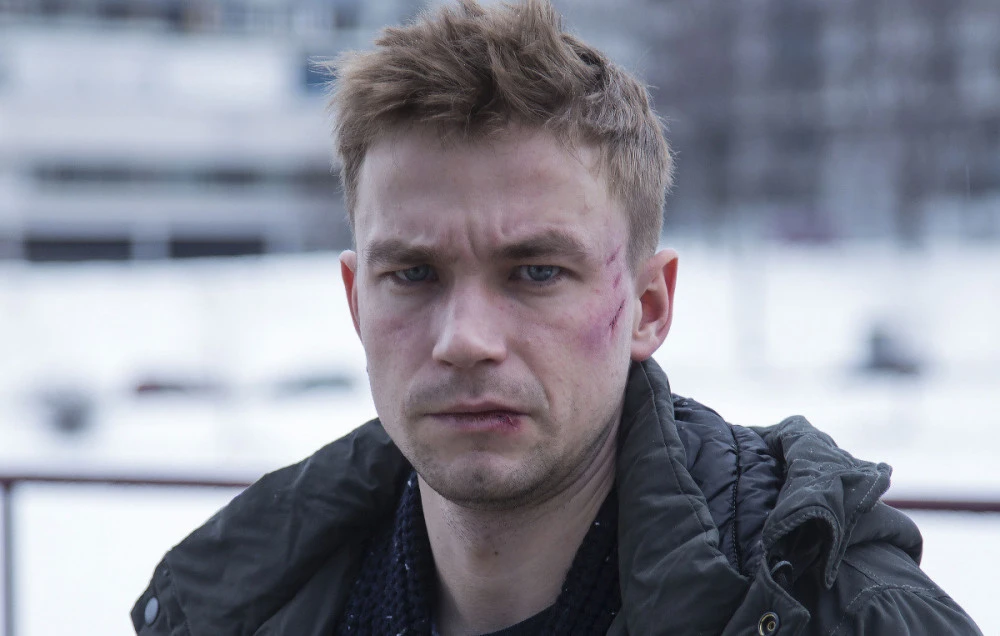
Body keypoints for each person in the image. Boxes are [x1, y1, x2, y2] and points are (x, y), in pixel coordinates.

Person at [132, 1, 982, 634]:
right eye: (414, 274)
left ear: (649, 307)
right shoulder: (248, 606)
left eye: (536, 272)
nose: (466, 340)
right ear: (357, 304)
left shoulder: (845, 614)